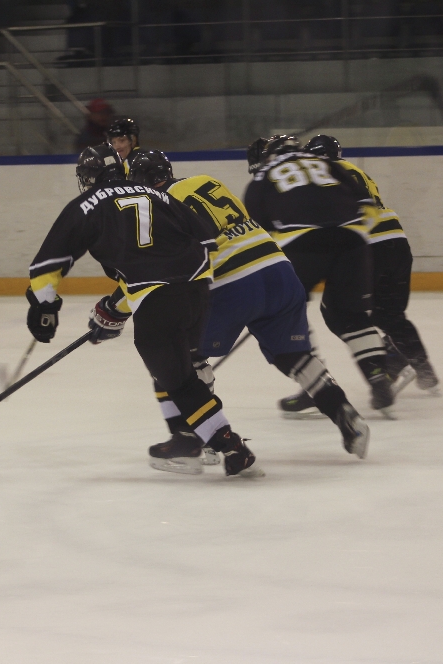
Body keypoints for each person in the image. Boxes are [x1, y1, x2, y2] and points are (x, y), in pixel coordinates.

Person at [25, 143, 263, 478]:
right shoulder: (161, 196)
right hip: (198, 293)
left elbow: (48, 263)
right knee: (177, 369)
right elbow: (204, 242)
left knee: (178, 379)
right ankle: (189, 441)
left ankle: (227, 446)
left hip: (159, 301)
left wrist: (44, 306)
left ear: (89, 177)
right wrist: (118, 308)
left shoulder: (88, 204)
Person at [128, 149, 370, 459]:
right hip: (280, 271)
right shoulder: (206, 181)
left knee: (183, 358)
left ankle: (195, 439)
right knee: (294, 356)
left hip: (232, 282)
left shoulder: (157, 205)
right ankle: (345, 413)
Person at [243, 135, 395, 417]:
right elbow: (367, 203)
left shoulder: (263, 176)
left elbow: (255, 232)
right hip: (352, 242)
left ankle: (316, 384)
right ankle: (377, 374)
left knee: (288, 314)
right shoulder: (327, 163)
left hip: (300, 245)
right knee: (349, 315)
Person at [304, 134, 439, 394]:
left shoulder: (320, 173)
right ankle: (422, 370)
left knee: (338, 312)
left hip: (368, 248)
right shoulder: (355, 171)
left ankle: (389, 361)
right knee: (390, 314)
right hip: (396, 241)